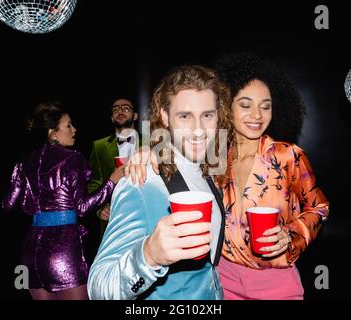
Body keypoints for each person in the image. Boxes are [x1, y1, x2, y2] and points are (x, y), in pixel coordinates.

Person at [126, 53, 330, 300]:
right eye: (245, 105)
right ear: (226, 108)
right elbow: (179, 146)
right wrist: (148, 150)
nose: (257, 115)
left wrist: (291, 235)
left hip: (276, 284)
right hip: (223, 282)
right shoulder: (214, 156)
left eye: (265, 106)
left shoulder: (288, 156)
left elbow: (319, 207)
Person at [87, 65, 231, 300]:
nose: (198, 131)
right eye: (185, 116)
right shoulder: (142, 182)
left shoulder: (207, 171)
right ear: (165, 116)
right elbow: (98, 289)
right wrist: (148, 257)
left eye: (207, 115)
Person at [2, 102, 124, 300]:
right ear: (53, 133)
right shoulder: (72, 159)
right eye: (69, 125)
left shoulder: (24, 162)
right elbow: (82, 208)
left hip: (30, 253)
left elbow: (7, 206)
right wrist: (112, 181)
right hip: (62, 250)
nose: (74, 130)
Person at [88, 97, 139, 245]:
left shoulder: (151, 143)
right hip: (113, 221)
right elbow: (93, 183)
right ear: (111, 118)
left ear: (135, 115)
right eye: (115, 109)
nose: (120, 111)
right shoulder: (99, 146)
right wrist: (100, 208)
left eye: (126, 108)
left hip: (145, 217)